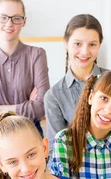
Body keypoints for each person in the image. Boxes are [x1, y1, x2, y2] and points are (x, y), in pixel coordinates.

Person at [0, 0, 50, 132]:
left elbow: (41, 108)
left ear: (24, 21)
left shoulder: (37, 55)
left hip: (30, 132)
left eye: (16, 18)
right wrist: (27, 105)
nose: (9, 24)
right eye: (3, 17)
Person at [44, 13, 106, 154]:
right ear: (66, 43)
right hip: (75, 172)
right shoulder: (54, 96)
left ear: (99, 45)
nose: (84, 52)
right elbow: (57, 149)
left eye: (92, 44)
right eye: (77, 44)